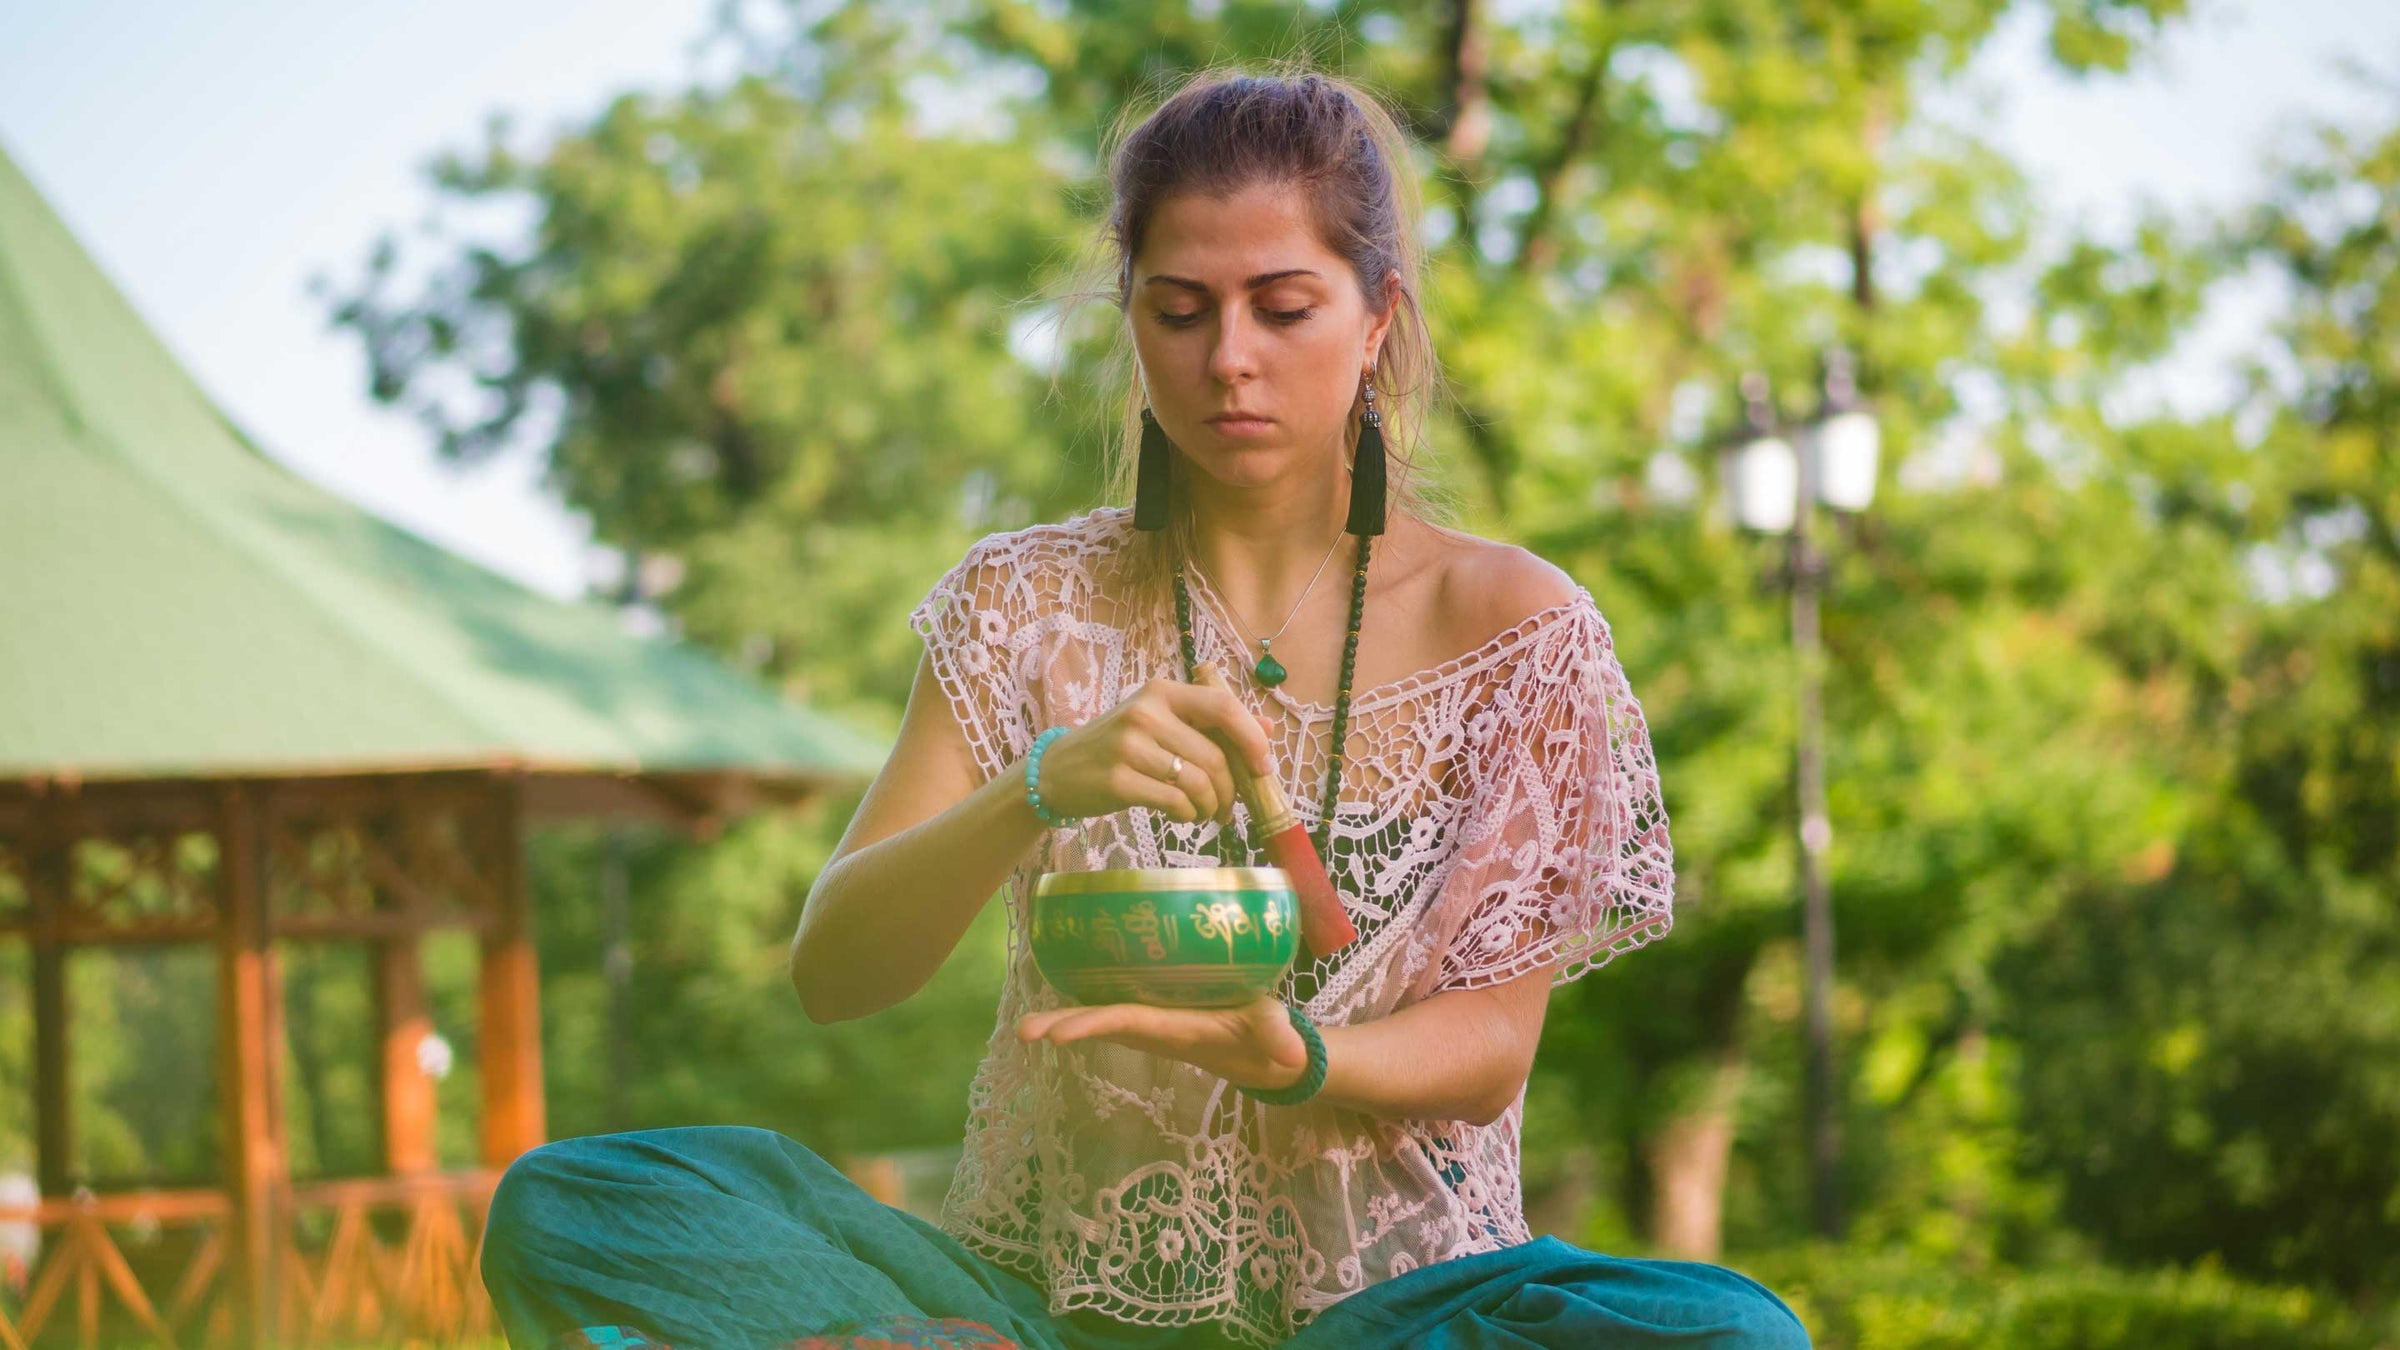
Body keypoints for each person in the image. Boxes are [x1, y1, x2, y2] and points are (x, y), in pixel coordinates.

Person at [480, 67, 1811, 1350]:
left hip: (1397, 1313)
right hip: (1041, 1306)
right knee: (578, 1200)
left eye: (1282, 308)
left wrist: (1296, 1054)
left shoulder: (1515, 625)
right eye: (1180, 311)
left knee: (1734, 1330)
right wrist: (1040, 784)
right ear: (1133, 319)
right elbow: (838, 969)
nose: (1229, 358)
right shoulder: (1023, 601)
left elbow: (1489, 1048)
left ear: (1377, 318)